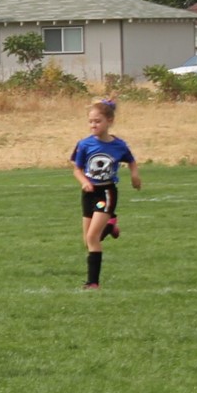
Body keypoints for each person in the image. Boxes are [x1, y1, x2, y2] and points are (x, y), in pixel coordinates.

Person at [71, 98, 141, 290]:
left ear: (109, 121)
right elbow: (76, 169)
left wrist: (134, 175)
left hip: (107, 192)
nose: (93, 124)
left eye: (98, 121)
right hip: (89, 193)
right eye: (91, 121)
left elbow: (131, 160)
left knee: (93, 238)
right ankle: (110, 227)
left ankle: (93, 283)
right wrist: (84, 182)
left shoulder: (118, 145)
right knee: (88, 241)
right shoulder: (84, 145)